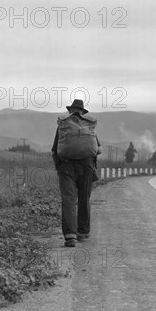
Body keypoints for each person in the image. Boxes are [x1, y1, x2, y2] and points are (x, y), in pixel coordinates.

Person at [51, 99, 102, 247]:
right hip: (86, 166)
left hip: (66, 167)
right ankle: (83, 232)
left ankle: (70, 237)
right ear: (82, 112)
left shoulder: (63, 125)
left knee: (68, 200)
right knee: (84, 199)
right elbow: (98, 150)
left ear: (70, 111)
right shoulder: (88, 125)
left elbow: (55, 150)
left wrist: (59, 166)